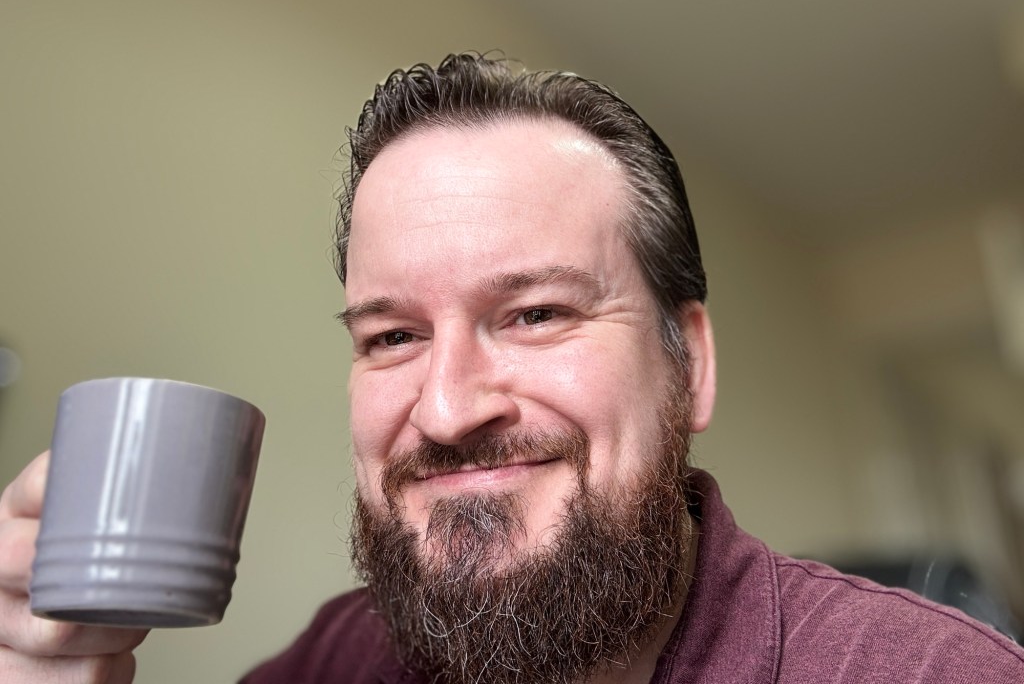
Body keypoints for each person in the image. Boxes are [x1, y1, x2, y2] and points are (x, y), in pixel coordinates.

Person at [1, 53, 1022, 683]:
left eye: (534, 313)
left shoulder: (929, 674)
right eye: (391, 336)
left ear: (691, 363)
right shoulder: (333, 661)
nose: (444, 410)